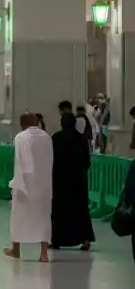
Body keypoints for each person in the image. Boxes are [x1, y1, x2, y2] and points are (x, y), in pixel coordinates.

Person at [5, 112, 53, 263]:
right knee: (43, 217)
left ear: (22, 124)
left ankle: (16, 249)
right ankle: (44, 254)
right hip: (44, 184)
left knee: (18, 216)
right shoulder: (46, 137)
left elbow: (20, 162)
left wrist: (16, 183)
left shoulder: (20, 138)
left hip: (25, 183)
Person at [51, 112, 95, 251]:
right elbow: (86, 162)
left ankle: (57, 239)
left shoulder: (56, 138)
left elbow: (50, 160)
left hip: (60, 181)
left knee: (60, 210)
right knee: (80, 210)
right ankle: (85, 239)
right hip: (78, 182)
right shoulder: (82, 140)